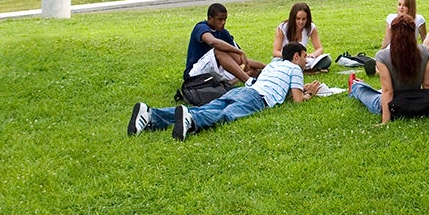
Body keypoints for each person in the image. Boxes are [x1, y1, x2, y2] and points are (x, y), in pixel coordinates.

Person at [129, 42, 321, 140]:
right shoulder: (296, 69)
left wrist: (297, 89)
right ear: (296, 57)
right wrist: (309, 94)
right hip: (256, 98)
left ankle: (151, 114)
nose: (307, 60)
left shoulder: (273, 64)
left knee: (208, 108)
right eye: (305, 56)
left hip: (240, 91)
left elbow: (281, 87)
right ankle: (192, 121)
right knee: (225, 115)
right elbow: (297, 101)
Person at [349, 14, 429, 124]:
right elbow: (428, 85)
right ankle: (359, 84)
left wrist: (385, 121)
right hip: (416, 100)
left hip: (394, 104)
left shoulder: (382, 56)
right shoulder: (423, 51)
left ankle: (355, 85)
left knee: (361, 91)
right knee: (376, 92)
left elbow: (388, 91)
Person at [185, 2, 265, 84]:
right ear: (210, 18)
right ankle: (248, 81)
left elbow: (239, 59)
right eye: (220, 19)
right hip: (195, 74)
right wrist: (240, 52)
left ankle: (229, 84)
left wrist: (266, 67)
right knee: (219, 50)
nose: (223, 22)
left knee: (254, 70)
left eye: (225, 19)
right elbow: (212, 42)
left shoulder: (223, 32)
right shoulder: (201, 27)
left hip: (215, 70)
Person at [273, 2, 330, 72]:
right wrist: (291, 57)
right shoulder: (282, 28)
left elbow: (319, 48)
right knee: (275, 62)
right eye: (298, 19)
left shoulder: (311, 27)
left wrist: (312, 55)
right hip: (287, 59)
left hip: (303, 59)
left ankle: (300, 69)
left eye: (304, 19)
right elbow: (275, 51)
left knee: (327, 60)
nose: (301, 22)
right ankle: (306, 70)